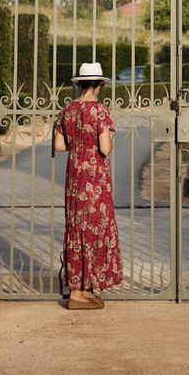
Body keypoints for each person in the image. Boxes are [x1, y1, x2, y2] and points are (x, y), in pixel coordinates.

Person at [54, 61, 123, 309]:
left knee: (77, 229)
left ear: (80, 84)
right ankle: (79, 293)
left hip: (74, 177)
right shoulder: (99, 111)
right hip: (95, 178)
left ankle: (79, 290)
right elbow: (105, 147)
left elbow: (59, 146)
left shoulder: (68, 110)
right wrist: (109, 139)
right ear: (99, 84)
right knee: (94, 228)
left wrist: (80, 147)